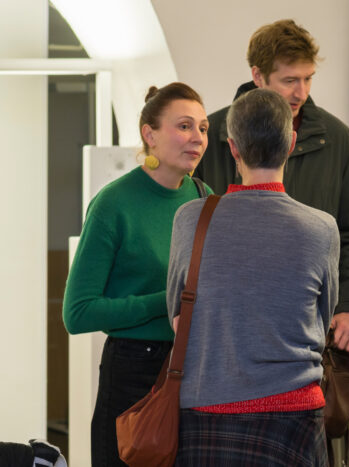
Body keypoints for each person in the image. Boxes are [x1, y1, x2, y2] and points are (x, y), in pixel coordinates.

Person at [167, 88, 339, 466]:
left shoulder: (190, 219)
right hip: (294, 413)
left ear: (232, 148)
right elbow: (322, 318)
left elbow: (177, 318)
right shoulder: (322, 228)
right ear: (291, 143)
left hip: (206, 406)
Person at [194, 19, 349, 352]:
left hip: (312, 328)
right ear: (258, 76)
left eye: (308, 78)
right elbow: (193, 236)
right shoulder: (213, 135)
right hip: (227, 326)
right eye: (289, 80)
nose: (301, 92)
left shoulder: (335, 138)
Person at [62, 82, 211, 466]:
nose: (197, 138)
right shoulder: (113, 203)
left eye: (203, 128)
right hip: (132, 373)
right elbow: (78, 313)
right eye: (184, 126)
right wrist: (167, 301)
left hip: (192, 371)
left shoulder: (203, 199)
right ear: (150, 134)